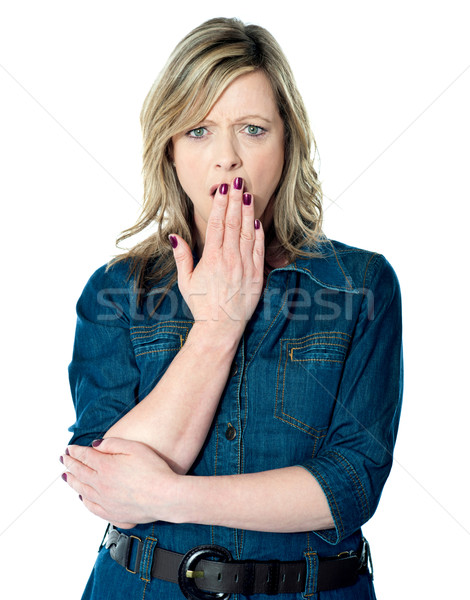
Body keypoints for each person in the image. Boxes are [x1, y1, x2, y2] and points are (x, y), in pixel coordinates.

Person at [61, 17, 403, 600]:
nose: (227, 158)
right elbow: (104, 479)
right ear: (168, 149)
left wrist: (169, 494)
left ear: (287, 141)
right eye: (197, 130)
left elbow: (350, 483)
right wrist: (217, 328)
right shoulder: (117, 292)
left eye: (251, 128)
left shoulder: (360, 286)